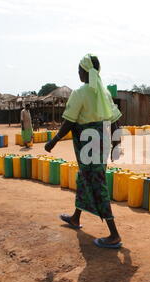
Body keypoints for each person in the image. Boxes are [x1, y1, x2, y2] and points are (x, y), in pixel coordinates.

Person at [45, 54, 123, 249]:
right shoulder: (104, 92)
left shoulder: (80, 93)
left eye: (79, 69)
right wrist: (116, 142)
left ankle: (114, 234)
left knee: (97, 184)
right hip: (101, 142)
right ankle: (75, 217)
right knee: (85, 178)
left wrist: (53, 141)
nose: (77, 72)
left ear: (86, 71)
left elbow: (69, 121)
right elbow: (115, 120)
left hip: (88, 144)